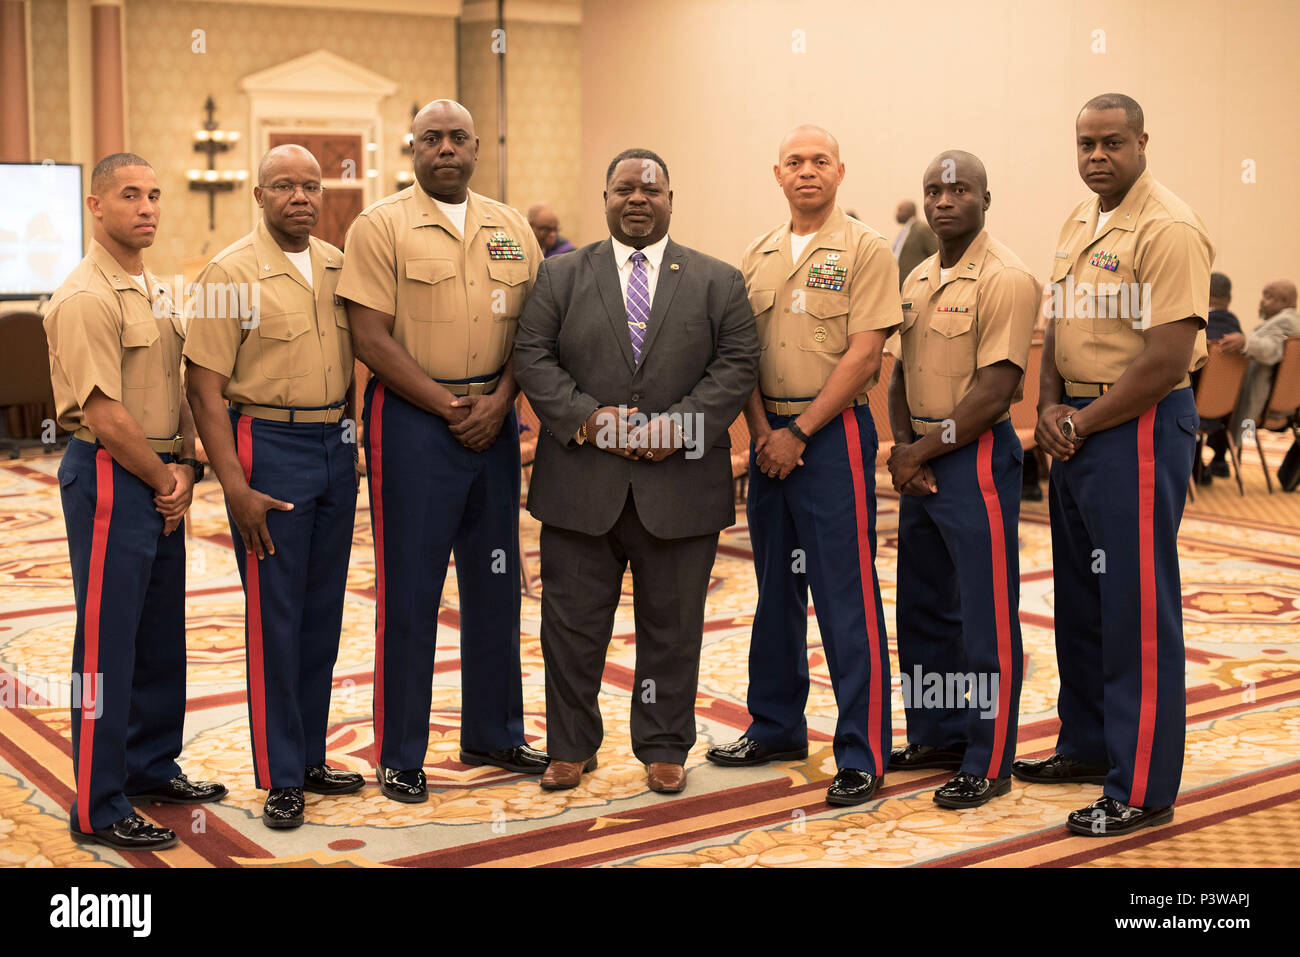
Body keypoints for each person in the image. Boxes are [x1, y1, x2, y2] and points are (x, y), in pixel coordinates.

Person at [514, 148, 758, 795]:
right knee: (569, 627)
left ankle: (662, 743)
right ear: (605, 199)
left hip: (679, 488)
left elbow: (735, 368)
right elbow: (532, 357)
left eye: (652, 189)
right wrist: (593, 421)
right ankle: (569, 746)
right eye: (624, 188)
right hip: (579, 485)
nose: (638, 199)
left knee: (673, 627)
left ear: (671, 199)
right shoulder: (561, 276)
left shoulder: (718, 281)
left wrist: (673, 429)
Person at [338, 99, 548, 804]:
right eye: (432, 138)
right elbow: (370, 335)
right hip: (413, 426)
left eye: (458, 137)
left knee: (495, 583)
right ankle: (401, 751)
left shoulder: (512, 227)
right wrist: (447, 404)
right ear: (413, 148)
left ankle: (495, 730)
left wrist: (500, 401)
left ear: (477, 145)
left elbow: (535, 329)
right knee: (411, 590)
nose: (446, 149)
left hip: (494, 420)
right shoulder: (380, 226)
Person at [1019, 94, 1214, 837]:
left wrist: (1082, 419)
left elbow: (1166, 360)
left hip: (1134, 426)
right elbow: (1058, 324)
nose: (1097, 156)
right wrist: (1046, 409)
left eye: (1111, 143)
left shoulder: (1168, 227)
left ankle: (1140, 784)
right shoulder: (1081, 219)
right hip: (1076, 424)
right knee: (1081, 599)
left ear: (1141, 141)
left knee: (1134, 609)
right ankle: (1087, 743)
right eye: (1086, 144)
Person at [705, 126, 899, 806]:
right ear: (777, 173)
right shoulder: (755, 256)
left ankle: (863, 749)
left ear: (841, 170)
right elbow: (741, 354)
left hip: (832, 436)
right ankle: (776, 724)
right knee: (773, 590)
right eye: (795, 161)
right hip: (768, 440)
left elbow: (866, 354)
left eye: (820, 160)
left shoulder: (866, 249)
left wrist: (800, 431)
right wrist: (762, 431)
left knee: (845, 595)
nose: (807, 171)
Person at [44, 153, 226, 852]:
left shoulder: (153, 287)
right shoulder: (86, 295)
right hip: (112, 475)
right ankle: (97, 799)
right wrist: (164, 478)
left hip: (157, 474)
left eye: (153, 194)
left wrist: (181, 464)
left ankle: (151, 764)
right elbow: (106, 414)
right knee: (106, 642)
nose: (147, 206)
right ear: (95, 207)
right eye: (129, 195)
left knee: (157, 635)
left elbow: (173, 385)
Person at [184, 145, 365, 829]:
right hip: (267, 443)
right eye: (284, 185)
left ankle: (314, 754)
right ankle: (281, 772)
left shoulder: (338, 266)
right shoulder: (230, 272)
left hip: (332, 445)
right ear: (258, 195)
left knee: (322, 614)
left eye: (311, 186)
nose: (301, 196)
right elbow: (202, 386)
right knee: (276, 617)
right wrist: (233, 484)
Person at [886, 150, 1038, 808]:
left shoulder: (1006, 277)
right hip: (922, 449)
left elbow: (997, 389)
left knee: (986, 617)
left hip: (972, 453)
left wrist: (921, 451)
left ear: (984, 197)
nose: (945, 200)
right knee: (922, 609)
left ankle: (988, 751)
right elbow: (898, 374)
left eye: (959, 190)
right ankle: (938, 730)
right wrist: (903, 446)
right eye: (933, 190)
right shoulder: (918, 276)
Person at [1213, 280, 1300, 447]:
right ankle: (1219, 460)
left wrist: (1245, 342)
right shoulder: (1293, 322)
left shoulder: (1286, 321)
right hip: (1285, 406)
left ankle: (1214, 460)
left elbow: (1271, 349)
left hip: (1259, 405)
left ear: (1285, 302)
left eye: (1268, 296)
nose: (1261, 301)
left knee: (1212, 406)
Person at [1195, 272, 1244, 481]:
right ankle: (1219, 460)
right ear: (1229, 299)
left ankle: (1195, 468)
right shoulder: (1236, 331)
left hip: (1194, 411)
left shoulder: (1199, 327)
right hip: (1225, 411)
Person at [892, 199, 939, 289]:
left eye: (900, 210)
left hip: (916, 285)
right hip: (902, 284)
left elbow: (936, 253)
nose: (897, 213)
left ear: (910, 211)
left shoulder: (921, 229)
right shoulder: (905, 230)